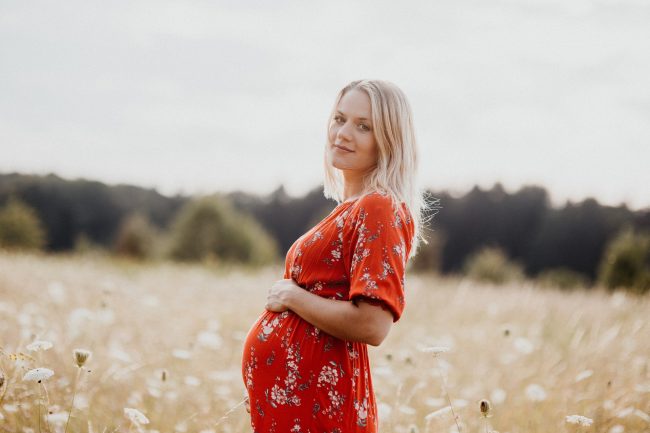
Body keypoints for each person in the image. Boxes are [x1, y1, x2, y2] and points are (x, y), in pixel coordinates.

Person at [241, 79, 426, 433]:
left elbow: (372, 325)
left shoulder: (379, 207)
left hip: (322, 413)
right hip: (299, 411)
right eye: (339, 119)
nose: (343, 133)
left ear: (389, 140)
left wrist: (293, 296)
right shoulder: (352, 208)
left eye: (363, 126)